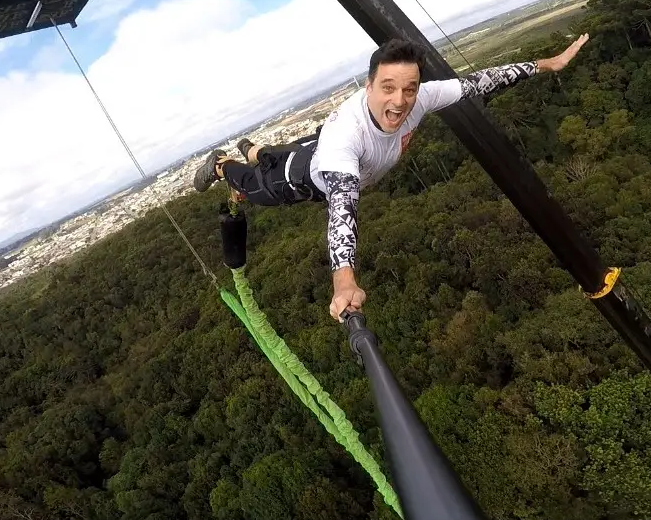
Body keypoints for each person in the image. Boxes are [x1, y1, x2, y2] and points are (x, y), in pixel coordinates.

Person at [194, 33, 591, 322]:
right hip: (305, 178)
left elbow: (479, 82)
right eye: (387, 88)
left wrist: (545, 64)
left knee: (279, 154)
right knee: (257, 186)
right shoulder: (346, 141)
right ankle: (220, 164)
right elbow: (343, 210)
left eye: (409, 89)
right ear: (369, 86)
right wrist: (344, 280)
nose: (400, 101)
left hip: (314, 149)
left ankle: (252, 148)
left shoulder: (422, 98)